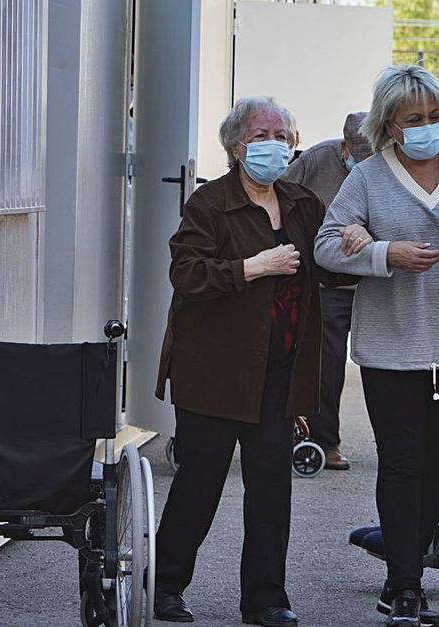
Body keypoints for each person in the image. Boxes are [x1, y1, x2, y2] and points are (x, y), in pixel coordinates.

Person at [314, 64, 439, 627]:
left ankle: (412, 549)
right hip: (393, 350)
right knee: (401, 465)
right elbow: (326, 247)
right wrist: (385, 254)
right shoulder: (367, 179)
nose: (427, 127)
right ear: (390, 125)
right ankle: (403, 585)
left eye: (434, 117)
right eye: (414, 119)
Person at [152, 97, 363, 626]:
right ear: (235, 146)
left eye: (282, 135)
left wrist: (357, 244)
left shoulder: (300, 203)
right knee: (200, 481)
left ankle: (266, 599)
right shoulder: (210, 204)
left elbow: (324, 269)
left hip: (277, 369)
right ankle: (166, 586)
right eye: (261, 134)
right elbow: (187, 274)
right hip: (214, 370)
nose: (274, 143)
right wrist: (251, 267)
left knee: (271, 487)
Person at [281, 111, 374, 471]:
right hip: (329, 279)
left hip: (376, 278)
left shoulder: (386, 165)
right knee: (329, 360)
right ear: (344, 145)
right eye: (358, 157)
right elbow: (281, 193)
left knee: (382, 364)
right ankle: (325, 440)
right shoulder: (317, 160)